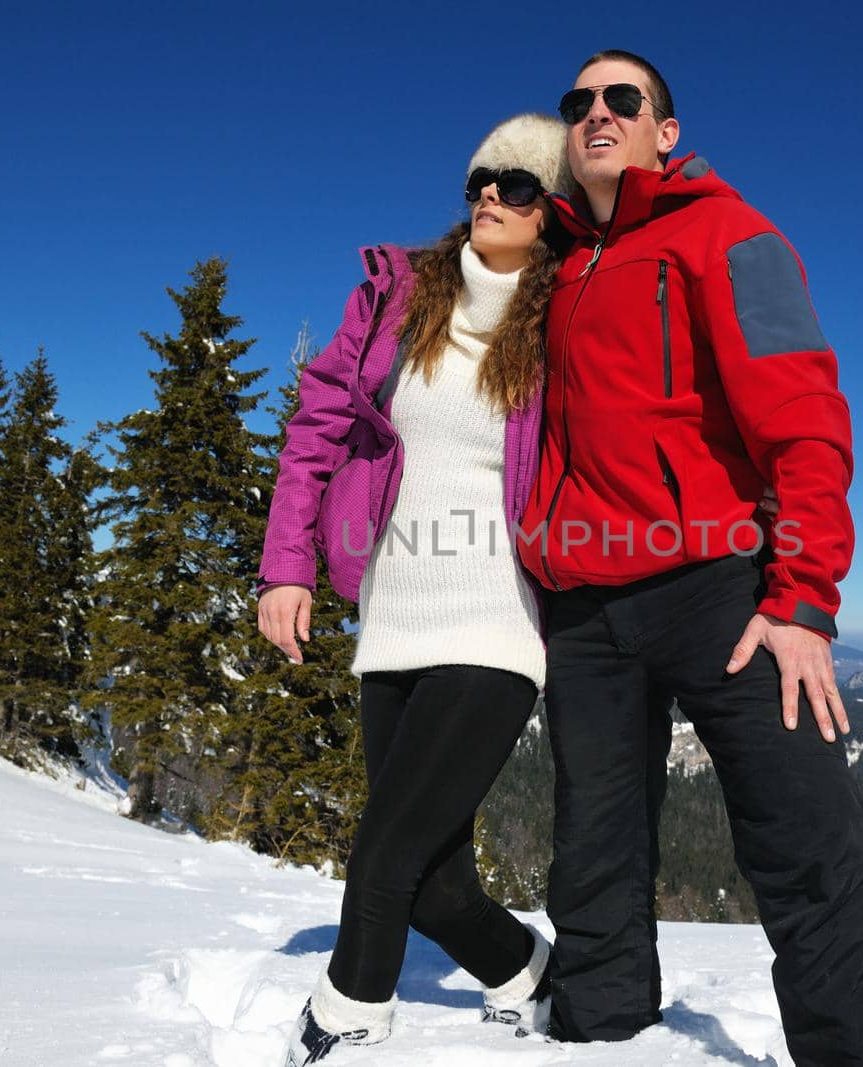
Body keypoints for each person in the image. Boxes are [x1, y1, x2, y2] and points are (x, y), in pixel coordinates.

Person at [519, 51, 863, 1065]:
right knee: (592, 858)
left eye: (625, 99)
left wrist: (801, 600)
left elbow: (804, 420)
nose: (597, 114)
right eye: (578, 103)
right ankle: (602, 1038)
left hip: (723, 593)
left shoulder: (728, 233)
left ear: (667, 130)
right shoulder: (558, 267)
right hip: (584, 611)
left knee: (804, 847)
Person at [256, 113, 573, 1063]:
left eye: (517, 185)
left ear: (551, 212)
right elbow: (316, 430)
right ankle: (530, 974)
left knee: (383, 852)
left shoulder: (565, 320)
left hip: (495, 624)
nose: (490, 194)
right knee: (437, 883)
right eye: (482, 176)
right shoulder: (397, 298)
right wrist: (288, 564)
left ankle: (351, 1020)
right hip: (392, 616)